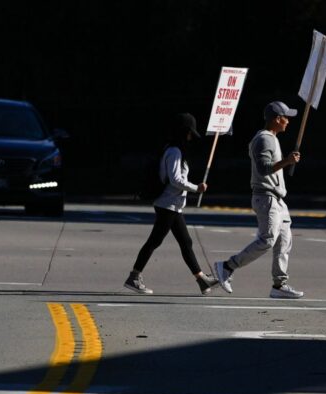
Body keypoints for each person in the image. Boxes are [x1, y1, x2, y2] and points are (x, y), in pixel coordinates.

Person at [213, 101, 303, 299]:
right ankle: (227, 266)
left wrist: (286, 162)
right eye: (286, 117)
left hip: (278, 199)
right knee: (268, 239)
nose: (288, 121)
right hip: (267, 197)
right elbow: (264, 169)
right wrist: (287, 161)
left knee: (284, 241)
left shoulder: (272, 138)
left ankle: (279, 285)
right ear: (277, 119)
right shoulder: (264, 139)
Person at [124, 113, 219, 295]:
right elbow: (175, 179)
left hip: (172, 204)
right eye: (190, 133)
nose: (191, 137)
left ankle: (202, 280)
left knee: (185, 241)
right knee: (156, 241)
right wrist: (195, 188)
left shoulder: (172, 149)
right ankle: (134, 277)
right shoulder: (174, 151)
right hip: (167, 203)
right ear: (184, 132)